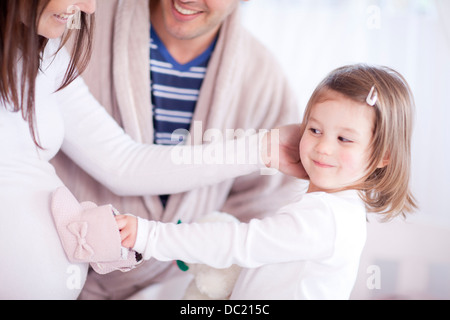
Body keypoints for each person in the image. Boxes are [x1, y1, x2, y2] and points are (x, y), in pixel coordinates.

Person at [0, 0, 301, 299]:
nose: (90, 7)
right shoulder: (67, 34)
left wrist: (262, 149)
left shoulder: (46, 53)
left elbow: (122, 162)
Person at [115, 64, 418, 299]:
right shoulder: (331, 208)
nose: (324, 147)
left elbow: (237, 244)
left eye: (344, 139)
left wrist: (149, 235)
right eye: (314, 130)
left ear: (383, 156)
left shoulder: (325, 217)